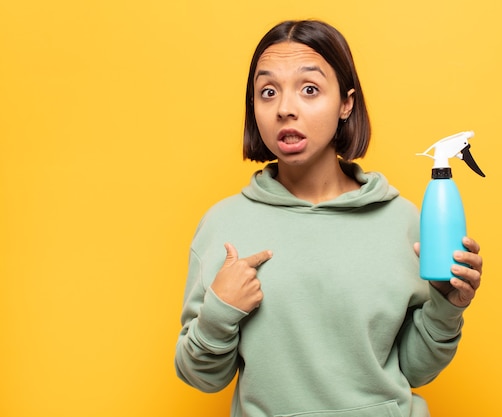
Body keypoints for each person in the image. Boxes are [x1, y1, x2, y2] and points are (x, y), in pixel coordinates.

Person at [175, 19, 483, 417]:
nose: (285, 109)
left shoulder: (403, 220)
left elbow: (414, 370)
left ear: (346, 103)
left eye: (309, 89)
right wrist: (219, 311)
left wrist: (448, 305)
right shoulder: (224, 224)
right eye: (268, 92)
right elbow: (202, 377)